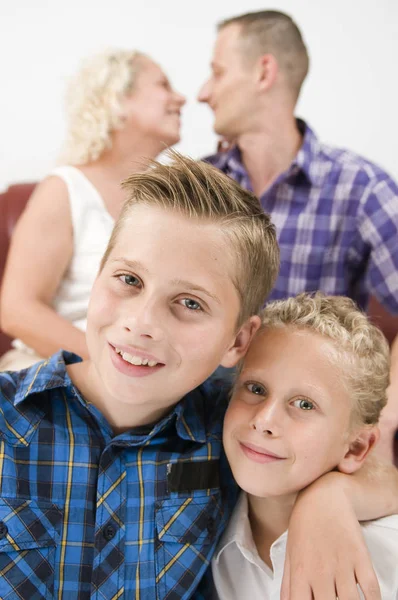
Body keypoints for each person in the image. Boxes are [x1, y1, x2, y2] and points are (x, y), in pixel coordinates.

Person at [0, 153, 397, 599]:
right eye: (129, 279)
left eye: (190, 303)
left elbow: (368, 469)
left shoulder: (233, 430)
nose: (142, 322)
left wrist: (331, 500)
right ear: (96, 279)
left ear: (237, 342)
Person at [198, 9, 398, 460]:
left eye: (217, 72)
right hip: (203, 409)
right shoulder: (202, 185)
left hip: (305, 422)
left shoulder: (361, 187)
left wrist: (386, 417)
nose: (203, 93)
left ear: (263, 71)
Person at [0, 48, 185, 371]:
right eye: (163, 85)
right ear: (118, 100)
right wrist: (113, 363)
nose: (181, 98)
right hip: (53, 370)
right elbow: (16, 310)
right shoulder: (65, 188)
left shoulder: (172, 203)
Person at [212, 292, 398, 599]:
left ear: (356, 448)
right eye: (255, 388)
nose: (264, 420)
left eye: (304, 404)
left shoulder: (387, 553)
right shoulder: (208, 528)